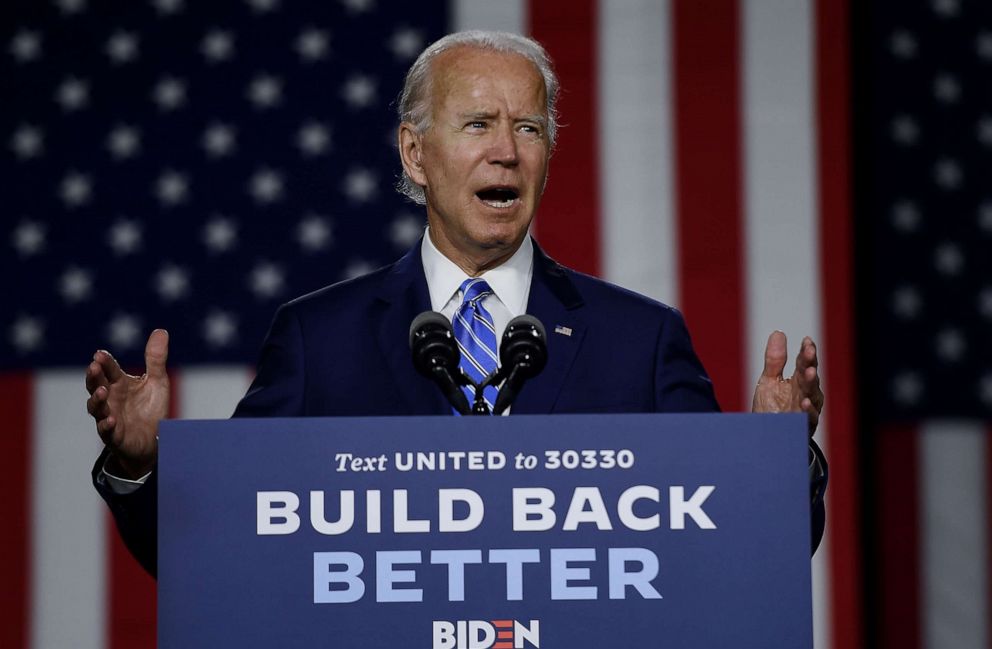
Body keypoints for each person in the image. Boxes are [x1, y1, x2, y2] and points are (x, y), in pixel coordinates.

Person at [86, 31, 827, 577]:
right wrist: (141, 466)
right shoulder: (321, 338)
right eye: (478, 124)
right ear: (416, 153)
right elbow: (219, 547)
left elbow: (738, 553)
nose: (506, 151)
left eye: (528, 128)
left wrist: (773, 464)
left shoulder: (640, 339)